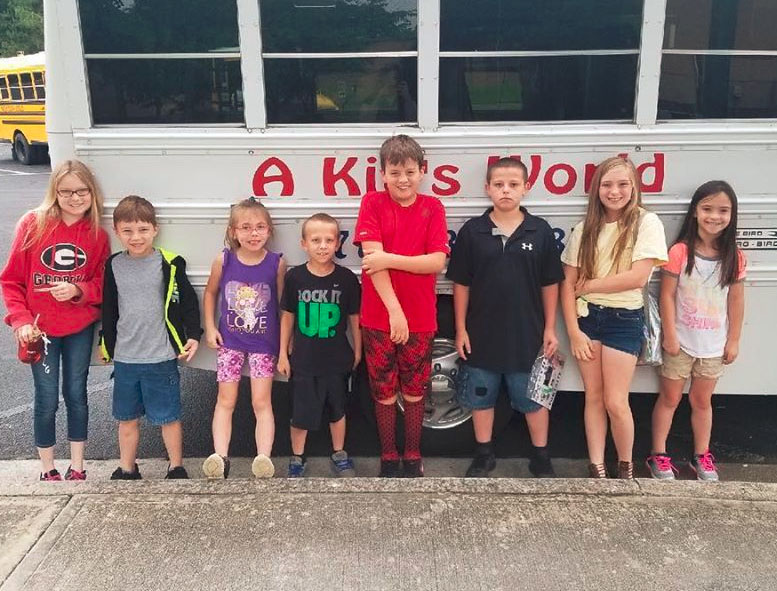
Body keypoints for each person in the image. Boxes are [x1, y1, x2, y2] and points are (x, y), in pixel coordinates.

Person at [447, 157, 564, 478]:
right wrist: (460, 328)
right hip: (481, 334)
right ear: (487, 189)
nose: (506, 191)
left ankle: (540, 456)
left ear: (526, 188)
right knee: (481, 397)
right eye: (498, 185)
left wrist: (551, 328)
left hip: (527, 335)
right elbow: (462, 283)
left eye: (513, 185)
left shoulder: (539, 231)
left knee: (533, 399)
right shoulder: (473, 231)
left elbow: (550, 283)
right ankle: (484, 453)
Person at [1, 160, 110, 481]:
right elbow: (11, 281)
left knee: (76, 393)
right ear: (55, 193)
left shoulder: (97, 235)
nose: (74, 198)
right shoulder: (33, 226)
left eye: (81, 191)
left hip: (78, 327)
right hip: (41, 330)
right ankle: (47, 468)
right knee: (46, 397)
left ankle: (78, 465)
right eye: (66, 192)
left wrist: (78, 288)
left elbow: (103, 283)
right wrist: (21, 320)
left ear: (92, 192)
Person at [560, 156, 668, 479]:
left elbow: (637, 277)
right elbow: (568, 285)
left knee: (616, 401)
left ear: (634, 187)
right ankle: (597, 467)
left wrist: (590, 285)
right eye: (607, 185)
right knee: (592, 396)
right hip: (588, 319)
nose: (615, 191)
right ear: (596, 190)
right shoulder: (584, 229)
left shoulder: (646, 223)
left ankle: (625, 466)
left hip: (624, 319)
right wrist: (574, 332)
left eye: (623, 184)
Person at [355, 134, 449, 478]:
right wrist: (395, 310)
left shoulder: (432, 207)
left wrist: (390, 258)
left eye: (410, 171)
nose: (403, 179)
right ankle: (388, 455)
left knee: (414, 387)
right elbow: (371, 262)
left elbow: (436, 262)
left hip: (421, 316)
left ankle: (412, 453)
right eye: (394, 172)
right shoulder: (373, 204)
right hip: (379, 316)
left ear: (422, 171)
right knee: (382, 387)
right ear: (382, 174)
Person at [646, 181, 745, 481]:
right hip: (681, 342)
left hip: (713, 345)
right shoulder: (679, 252)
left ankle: (702, 456)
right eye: (707, 209)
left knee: (702, 402)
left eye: (723, 210)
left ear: (732, 215)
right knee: (670, 398)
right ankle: (658, 455)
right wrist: (670, 335)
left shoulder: (734, 256)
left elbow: (737, 300)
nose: (714, 216)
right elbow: (666, 295)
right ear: (694, 212)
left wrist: (734, 339)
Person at [100, 195, 201, 480]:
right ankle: (128, 467)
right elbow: (109, 308)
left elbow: (188, 303)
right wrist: (107, 344)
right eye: (128, 231)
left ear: (155, 229)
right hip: (126, 358)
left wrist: (193, 334)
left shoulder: (168, 263)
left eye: (143, 230)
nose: (136, 237)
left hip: (161, 356)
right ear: (116, 231)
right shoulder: (114, 265)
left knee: (168, 417)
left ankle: (176, 465)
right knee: (126, 418)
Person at [202, 197, 285, 479]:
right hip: (230, 342)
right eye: (246, 227)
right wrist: (210, 327)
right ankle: (220, 457)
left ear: (269, 230)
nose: (253, 234)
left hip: (264, 344)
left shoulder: (276, 263)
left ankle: (263, 458)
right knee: (226, 400)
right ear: (233, 231)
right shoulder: (223, 260)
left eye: (260, 227)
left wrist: (286, 345)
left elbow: (284, 306)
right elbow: (211, 292)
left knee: (261, 402)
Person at [277, 213, 361, 477]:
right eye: (316, 240)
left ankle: (339, 453)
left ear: (338, 244)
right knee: (300, 412)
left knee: (338, 409)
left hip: (336, 359)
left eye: (329, 240)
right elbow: (288, 317)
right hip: (303, 359)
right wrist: (282, 353)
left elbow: (354, 319)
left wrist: (359, 350)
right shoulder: (295, 278)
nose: (322, 245)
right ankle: (297, 456)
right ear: (304, 244)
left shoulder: (347, 279)